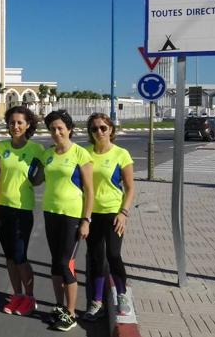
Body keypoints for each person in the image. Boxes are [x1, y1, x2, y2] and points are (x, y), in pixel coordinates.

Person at [41, 110, 93, 332]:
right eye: (52, 128)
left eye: (60, 128)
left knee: (65, 263)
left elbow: (90, 190)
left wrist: (86, 220)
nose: (56, 132)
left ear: (69, 129)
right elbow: (35, 177)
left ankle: (71, 314)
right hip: (50, 212)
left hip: (72, 215)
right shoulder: (48, 154)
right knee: (55, 263)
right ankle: (60, 306)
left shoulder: (80, 154)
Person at [83, 113, 135, 320]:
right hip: (91, 213)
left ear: (111, 130)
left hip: (114, 213)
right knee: (96, 258)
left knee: (113, 255)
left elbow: (130, 188)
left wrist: (124, 213)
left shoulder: (121, 154)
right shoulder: (85, 153)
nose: (99, 132)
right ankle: (97, 301)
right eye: (94, 129)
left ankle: (121, 295)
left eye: (103, 128)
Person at [0, 106, 45, 316]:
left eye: (19, 123)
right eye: (12, 122)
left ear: (28, 125)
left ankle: (30, 298)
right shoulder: (0, 148)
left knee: (20, 256)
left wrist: (38, 175)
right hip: (1, 208)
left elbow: (40, 178)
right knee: (9, 256)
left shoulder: (36, 150)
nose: (15, 126)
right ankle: (17, 294)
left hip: (22, 209)